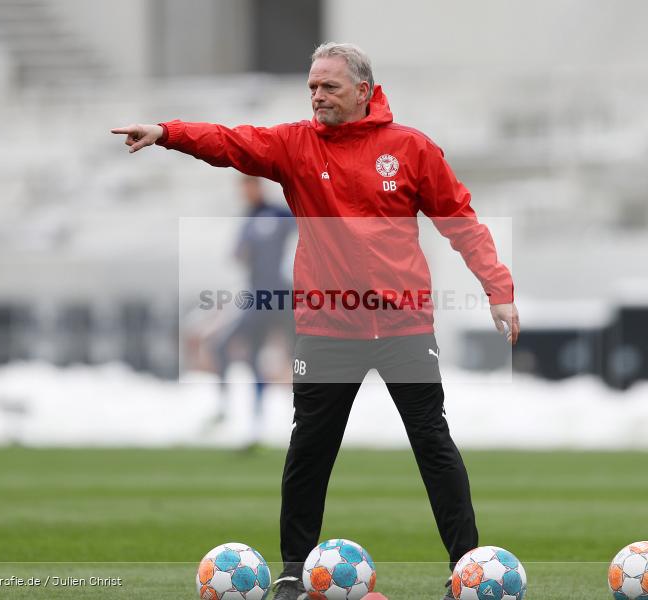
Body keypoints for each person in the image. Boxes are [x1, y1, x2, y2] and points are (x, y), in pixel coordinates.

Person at [112, 42, 519, 600]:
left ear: (363, 90)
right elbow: (231, 143)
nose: (317, 96)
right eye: (312, 87)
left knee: (432, 443)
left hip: (403, 325)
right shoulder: (295, 145)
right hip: (328, 328)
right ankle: (291, 574)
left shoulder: (411, 149)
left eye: (328, 86)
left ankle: (467, 571)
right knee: (310, 451)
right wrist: (167, 132)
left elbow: (461, 222)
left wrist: (498, 289)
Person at [209, 176, 295, 448]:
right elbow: (237, 255)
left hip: (280, 296)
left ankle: (311, 414)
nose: (247, 192)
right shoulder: (248, 219)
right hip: (258, 298)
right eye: (243, 188)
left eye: (250, 187)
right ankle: (249, 419)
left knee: (298, 356)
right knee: (236, 350)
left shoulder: (278, 213)